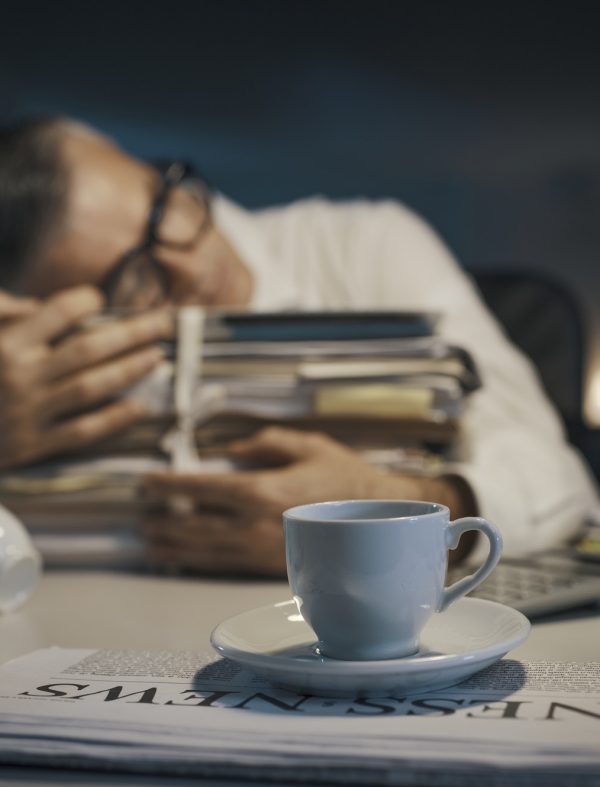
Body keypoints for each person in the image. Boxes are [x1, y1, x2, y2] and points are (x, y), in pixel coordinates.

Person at [0, 116, 596, 576]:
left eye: (164, 207)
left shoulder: (362, 247)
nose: (191, 265)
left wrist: (390, 507)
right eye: (133, 282)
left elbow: (559, 482)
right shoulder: (23, 388)